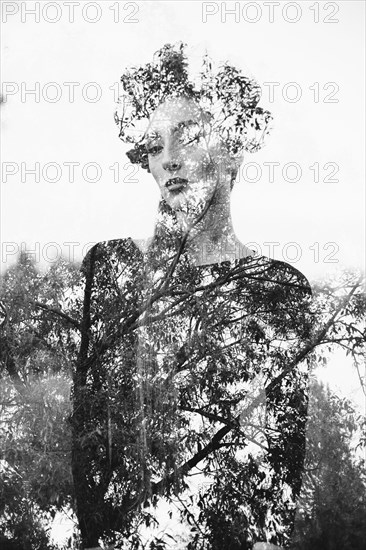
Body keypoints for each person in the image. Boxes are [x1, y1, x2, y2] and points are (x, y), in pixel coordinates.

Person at [77, 44, 312, 549]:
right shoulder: (110, 266)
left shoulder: (279, 286)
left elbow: (282, 472)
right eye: (154, 146)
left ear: (233, 152)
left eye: (188, 137)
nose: (169, 159)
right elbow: (86, 446)